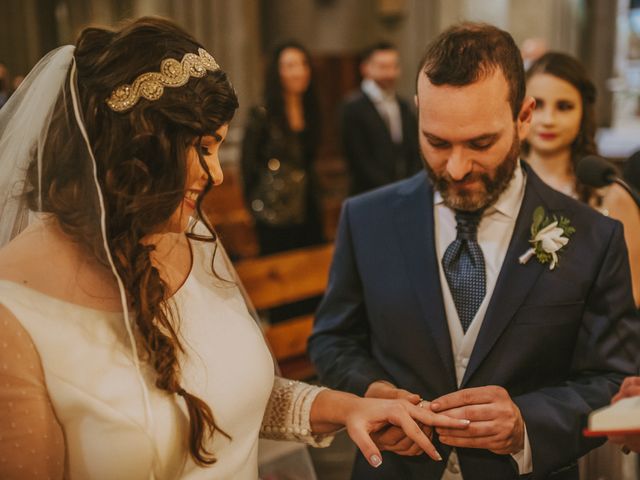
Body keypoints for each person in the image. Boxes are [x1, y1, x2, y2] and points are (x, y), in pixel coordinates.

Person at [0, 18, 471, 479]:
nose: (217, 174)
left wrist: (348, 408)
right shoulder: (14, 312)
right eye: (203, 148)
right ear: (139, 147)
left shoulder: (189, 235)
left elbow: (230, 392)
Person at [308, 22, 639, 479]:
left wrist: (527, 423)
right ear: (419, 114)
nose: (457, 168)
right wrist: (369, 390)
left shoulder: (594, 236)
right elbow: (333, 340)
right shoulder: (367, 219)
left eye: (481, 143)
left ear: (524, 116)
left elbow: (612, 379)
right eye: (437, 142)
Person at [523, 52, 640, 307]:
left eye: (564, 106)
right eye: (537, 105)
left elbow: (632, 293)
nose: (548, 120)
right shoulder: (500, 185)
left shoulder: (610, 195)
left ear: (583, 113)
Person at [241, 41, 324, 255]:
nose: (299, 72)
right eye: (290, 66)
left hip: (308, 205)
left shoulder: (311, 108)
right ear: (277, 72)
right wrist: (254, 206)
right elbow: (248, 165)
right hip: (274, 210)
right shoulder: (262, 114)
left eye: (303, 64)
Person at [340, 41, 422, 195]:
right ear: (365, 68)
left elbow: (412, 150)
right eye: (383, 67)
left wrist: (410, 184)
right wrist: (390, 188)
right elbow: (359, 159)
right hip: (369, 192)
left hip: (404, 189)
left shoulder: (403, 105)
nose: (390, 73)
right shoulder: (353, 107)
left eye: (394, 66)